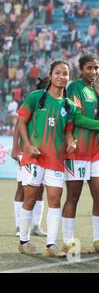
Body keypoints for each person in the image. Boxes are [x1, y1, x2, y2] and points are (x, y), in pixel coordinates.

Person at [17, 60, 99, 257]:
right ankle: (24, 241)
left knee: (55, 201)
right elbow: (21, 121)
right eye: (58, 73)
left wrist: (71, 142)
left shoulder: (68, 105)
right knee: (29, 199)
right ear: (51, 75)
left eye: (65, 73)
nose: (62, 77)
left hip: (55, 161)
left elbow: (69, 129)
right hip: (34, 159)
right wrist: (26, 146)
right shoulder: (37, 97)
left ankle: (51, 245)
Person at [61, 54, 99, 254]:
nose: (94, 72)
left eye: (96, 68)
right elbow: (78, 119)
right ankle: (68, 241)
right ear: (81, 70)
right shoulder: (74, 87)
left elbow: (94, 122)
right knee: (73, 196)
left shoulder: (95, 92)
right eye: (89, 68)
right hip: (77, 151)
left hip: (95, 151)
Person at [11, 77, 50, 238]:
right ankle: (20, 226)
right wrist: (15, 148)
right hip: (25, 151)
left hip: (42, 153)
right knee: (22, 187)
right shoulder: (33, 100)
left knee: (39, 189)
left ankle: (35, 225)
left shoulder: (53, 104)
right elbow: (18, 125)